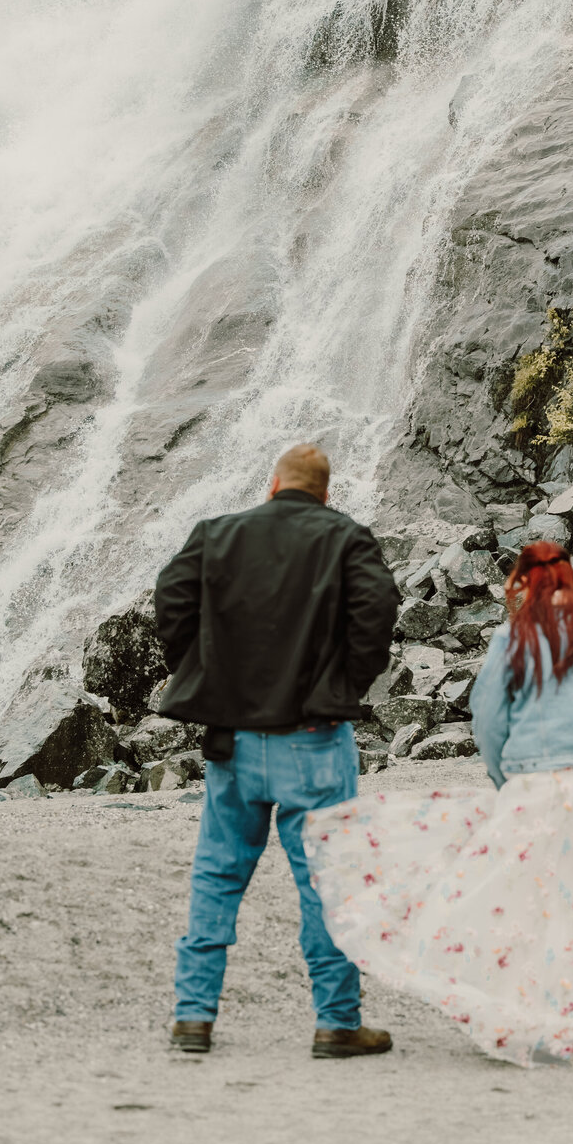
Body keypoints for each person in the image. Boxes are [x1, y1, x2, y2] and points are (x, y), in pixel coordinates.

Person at [303, 540, 573, 1067]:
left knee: (540, 905)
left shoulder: (512, 638)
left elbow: (487, 718)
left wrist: (503, 781)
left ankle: (541, 1019)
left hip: (537, 785)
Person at [154, 442, 400, 1060]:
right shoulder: (346, 538)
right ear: (324, 493)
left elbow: (171, 597)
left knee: (217, 875)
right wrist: (342, 685)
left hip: (232, 737)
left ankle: (193, 1019)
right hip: (313, 740)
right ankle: (336, 1024)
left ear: (272, 485)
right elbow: (378, 609)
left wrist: (200, 672)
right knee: (325, 880)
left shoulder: (217, 534)